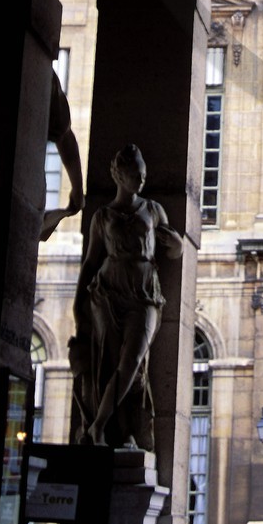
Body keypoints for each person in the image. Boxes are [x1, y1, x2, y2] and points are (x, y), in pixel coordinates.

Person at [72, 143, 183, 448]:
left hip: (145, 292)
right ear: (120, 176)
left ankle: (99, 425)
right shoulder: (102, 217)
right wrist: (78, 304)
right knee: (109, 363)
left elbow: (175, 249)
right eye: (137, 175)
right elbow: (91, 262)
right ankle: (115, 431)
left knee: (133, 361)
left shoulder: (153, 210)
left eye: (144, 175)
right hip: (107, 293)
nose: (142, 181)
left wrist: (176, 243)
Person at [41, 69, 85, 240]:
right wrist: (77, 189)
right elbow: (64, 135)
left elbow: (64, 135)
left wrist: (77, 188)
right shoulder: (42, 73)